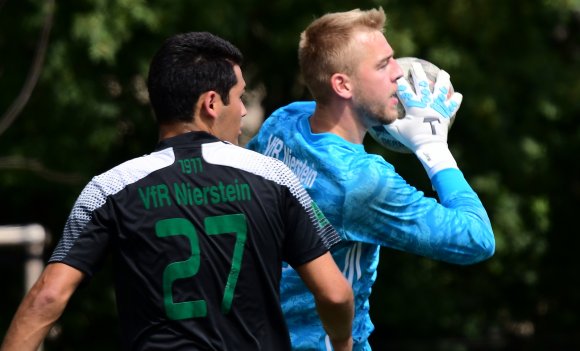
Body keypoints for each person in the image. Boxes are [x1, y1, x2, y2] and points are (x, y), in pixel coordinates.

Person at [0, 32, 354, 351]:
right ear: (211, 103)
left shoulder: (107, 188)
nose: (245, 109)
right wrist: (342, 343)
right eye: (240, 96)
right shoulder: (276, 177)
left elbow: (47, 298)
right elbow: (335, 294)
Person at [246, 8, 495, 350]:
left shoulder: (284, 122)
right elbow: (476, 239)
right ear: (342, 84)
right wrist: (433, 148)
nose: (398, 73)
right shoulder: (359, 182)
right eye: (383, 64)